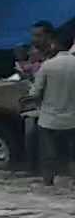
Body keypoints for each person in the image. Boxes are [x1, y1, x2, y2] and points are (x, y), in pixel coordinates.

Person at [30, 29, 75, 184]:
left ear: (55, 44)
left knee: (48, 156)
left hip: (49, 121)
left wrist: (39, 104)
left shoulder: (48, 66)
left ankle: (48, 185)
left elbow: (35, 93)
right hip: (73, 120)